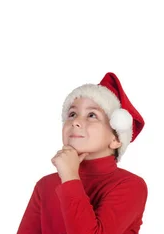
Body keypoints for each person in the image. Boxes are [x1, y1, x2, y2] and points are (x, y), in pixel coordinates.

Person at [17, 72, 148, 233]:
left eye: (92, 115)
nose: (76, 122)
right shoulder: (45, 185)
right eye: (72, 114)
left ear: (116, 139)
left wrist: (70, 177)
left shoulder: (131, 185)